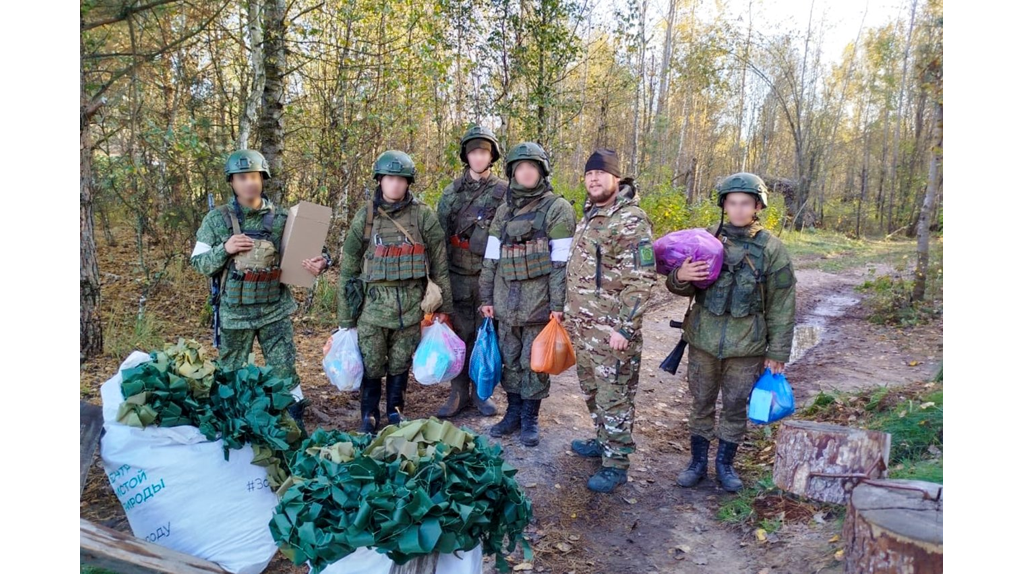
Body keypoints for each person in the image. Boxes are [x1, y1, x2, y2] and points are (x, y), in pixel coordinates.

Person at [667, 172, 796, 492]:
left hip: (747, 345)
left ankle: (725, 465)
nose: (739, 210)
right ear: (724, 205)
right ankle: (697, 463)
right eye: (733, 203)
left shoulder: (772, 249)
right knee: (701, 402)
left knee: (736, 405)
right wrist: (680, 275)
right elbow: (678, 286)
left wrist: (778, 352)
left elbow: (782, 303)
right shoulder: (704, 240)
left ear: (757, 207)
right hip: (703, 339)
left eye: (746, 203)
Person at [191, 149, 329, 432]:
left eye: (254, 176)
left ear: (262, 179)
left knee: (284, 371)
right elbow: (198, 263)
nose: (249, 183)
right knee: (231, 374)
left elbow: (318, 251)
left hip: (274, 311)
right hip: (234, 314)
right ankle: (233, 427)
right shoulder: (216, 221)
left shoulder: (282, 218)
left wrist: (322, 262)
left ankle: (293, 426)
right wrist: (224, 249)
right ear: (232, 182)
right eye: (242, 178)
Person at [336, 150, 454, 433]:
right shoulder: (365, 217)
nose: (396, 185)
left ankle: (395, 412)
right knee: (373, 363)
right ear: (380, 180)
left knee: (401, 363)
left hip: (411, 308)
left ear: (409, 182)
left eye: (402, 179)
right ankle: (369, 414)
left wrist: (443, 311)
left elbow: (440, 265)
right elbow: (348, 269)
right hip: (372, 310)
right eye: (390, 178)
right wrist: (345, 320)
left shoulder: (423, 216)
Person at [564, 149, 657, 493]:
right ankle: (603, 440)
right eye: (589, 174)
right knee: (592, 390)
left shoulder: (630, 219)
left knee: (614, 396)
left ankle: (616, 462)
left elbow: (642, 277)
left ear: (617, 178)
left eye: (601, 174)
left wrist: (625, 327)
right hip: (585, 328)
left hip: (613, 332)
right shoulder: (590, 215)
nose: (594, 179)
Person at [479, 142, 577, 446]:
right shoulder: (504, 211)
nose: (525, 173)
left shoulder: (557, 209)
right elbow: (491, 259)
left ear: (541, 171)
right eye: (520, 168)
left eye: (531, 167)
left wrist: (557, 304)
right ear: (512, 173)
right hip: (505, 302)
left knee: (534, 363)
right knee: (510, 361)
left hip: (538, 305)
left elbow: (561, 264)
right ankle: (513, 413)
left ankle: (530, 419)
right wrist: (486, 298)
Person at [434, 126, 508, 417]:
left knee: (486, 334)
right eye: (474, 151)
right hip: (455, 274)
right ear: (466, 156)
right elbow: (438, 239)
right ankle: (458, 392)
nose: (478, 157)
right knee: (458, 334)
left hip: (489, 276)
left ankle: (481, 392)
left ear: (491, 157)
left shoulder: (504, 193)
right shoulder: (451, 194)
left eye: (484, 152)